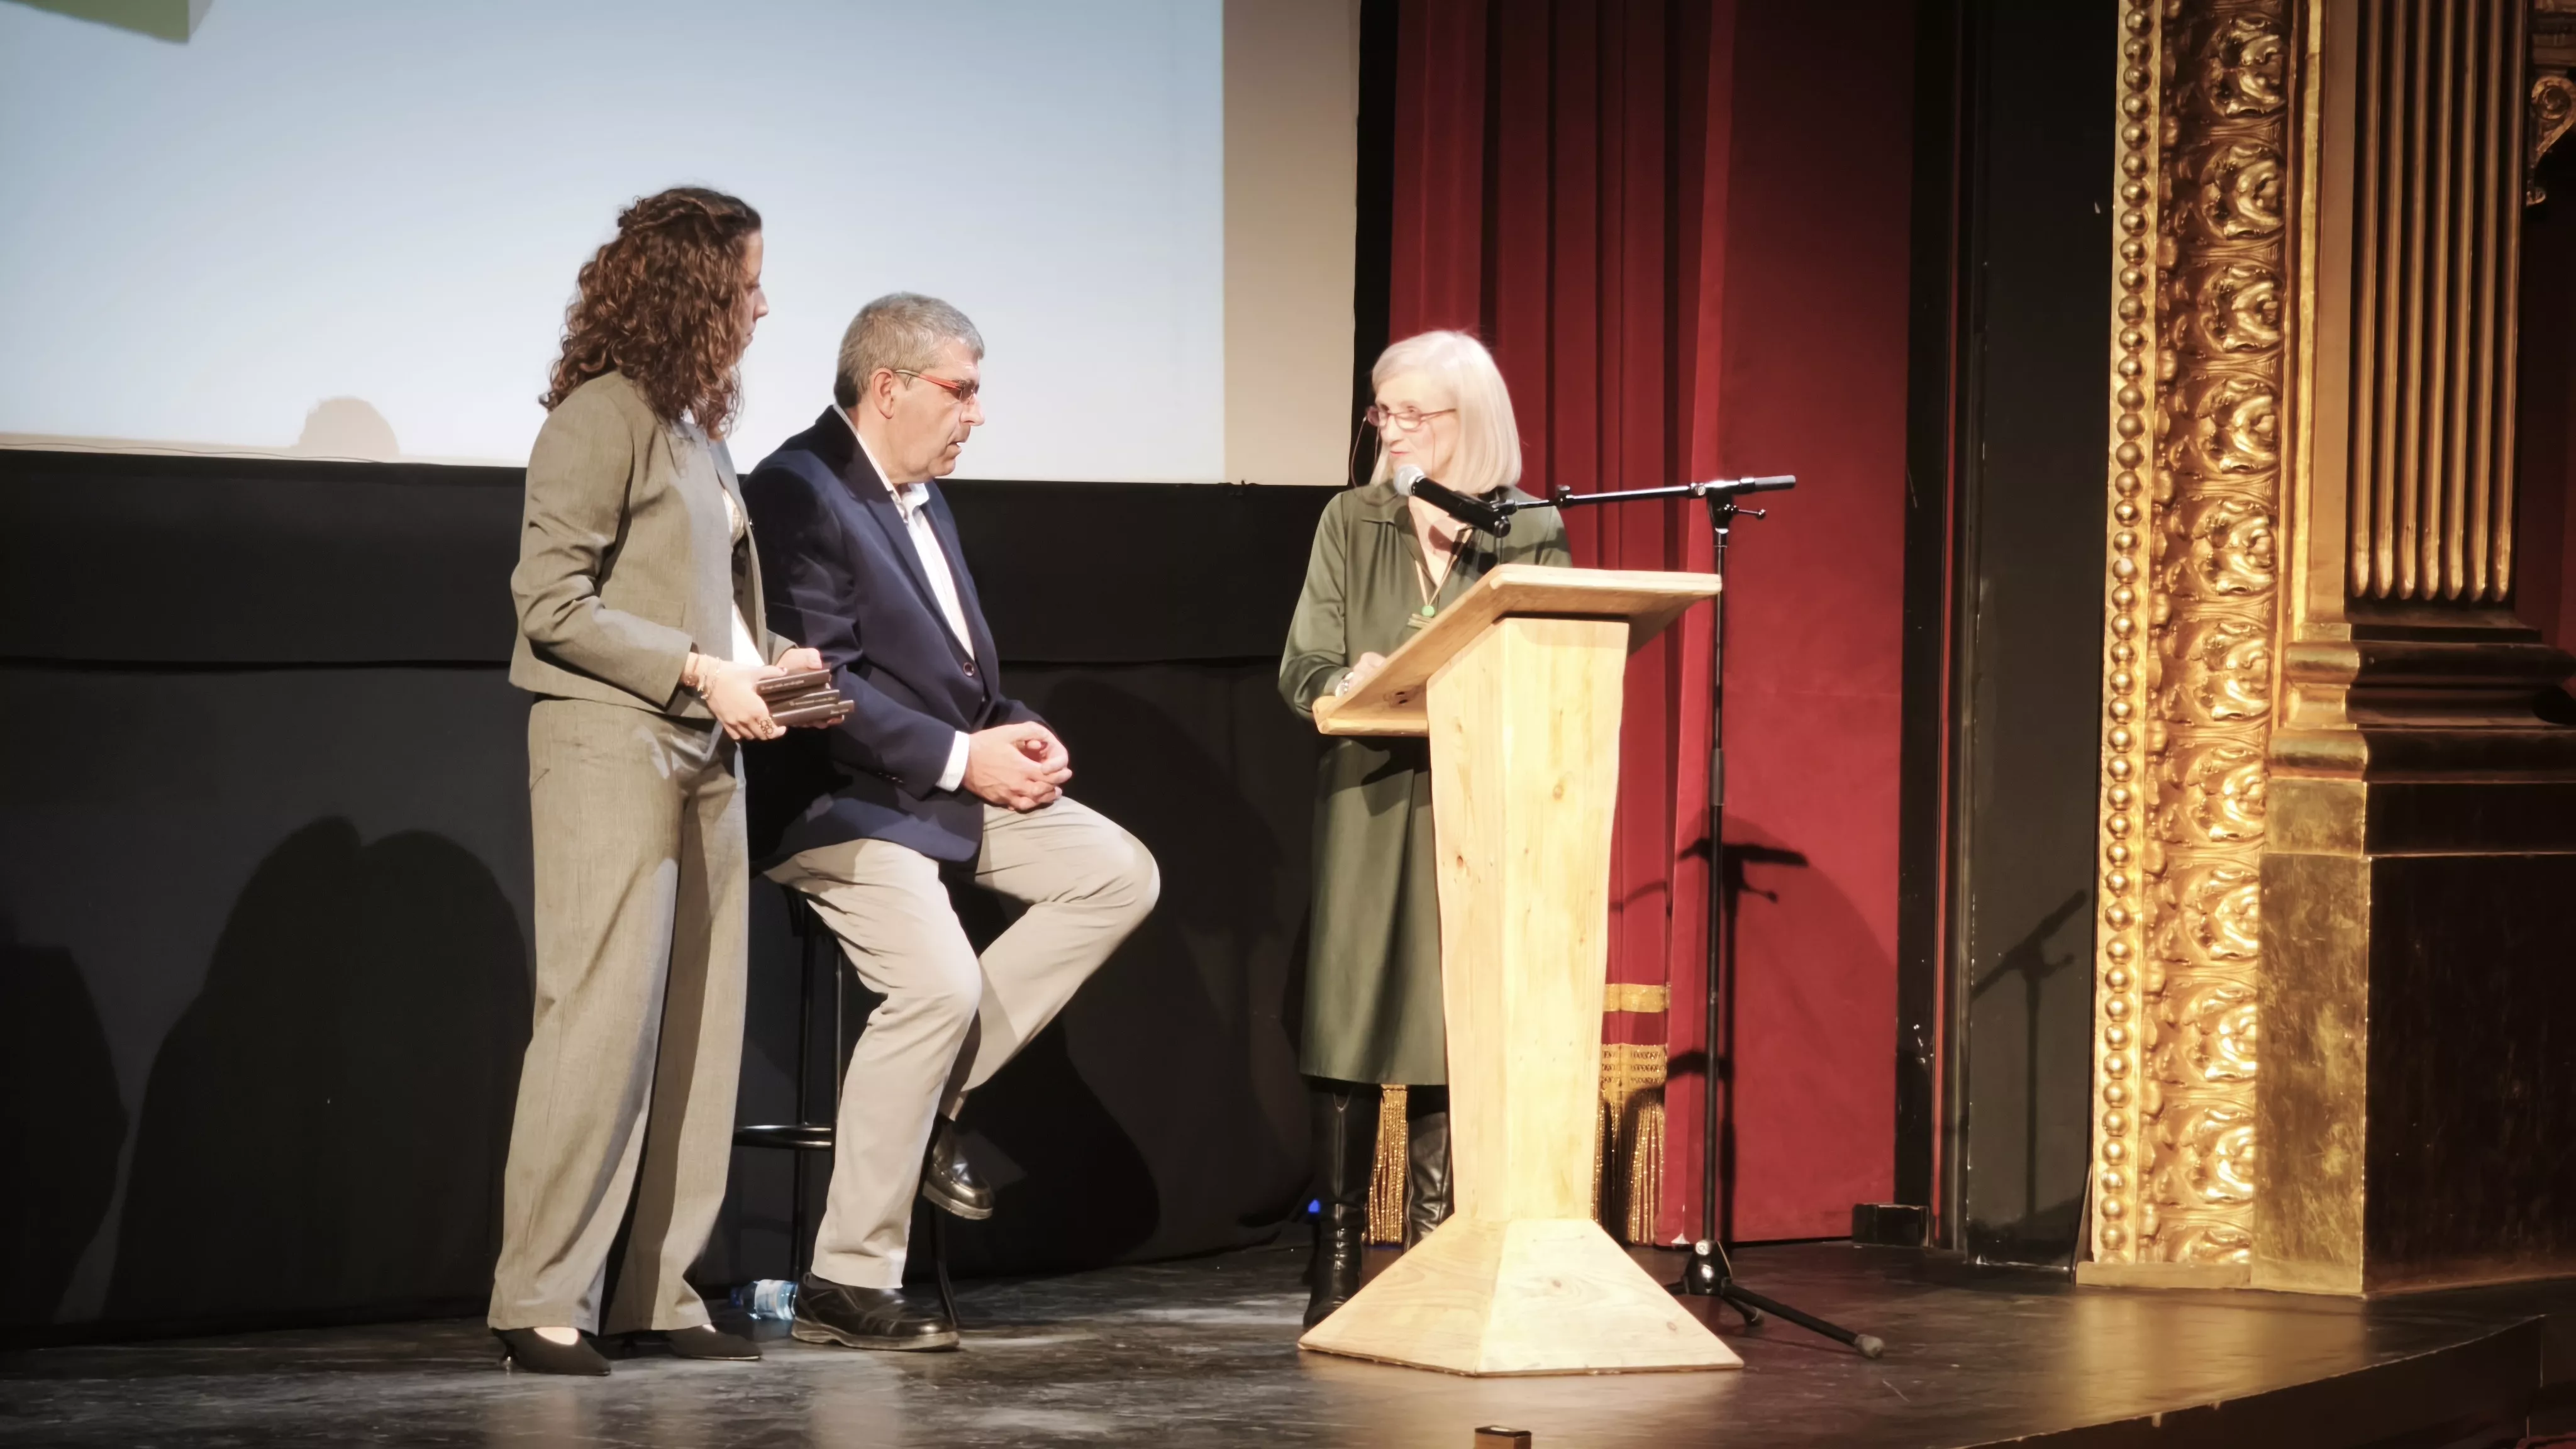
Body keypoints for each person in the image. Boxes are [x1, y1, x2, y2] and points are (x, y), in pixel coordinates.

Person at [741, 293, 1160, 1352]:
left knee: (1119, 871)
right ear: (889, 387)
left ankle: (933, 1101)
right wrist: (959, 757)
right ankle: (845, 1282)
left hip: (936, 788)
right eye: (960, 391)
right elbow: (815, 686)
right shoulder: (799, 489)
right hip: (840, 801)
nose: (976, 414)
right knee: (939, 982)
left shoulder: (923, 497)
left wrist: (1012, 731)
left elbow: (957, 679)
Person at [486, 187, 828, 1376]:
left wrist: (760, 661)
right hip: (609, 743)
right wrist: (693, 667)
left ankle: (654, 1292)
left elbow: (691, 591)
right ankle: (541, 1297)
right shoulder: (602, 415)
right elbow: (551, 602)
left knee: (699, 1029)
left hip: (709, 745)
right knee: (601, 1024)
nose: (762, 303)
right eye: (747, 283)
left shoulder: (696, 428)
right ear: (693, 289)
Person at [1277, 330, 1571, 1327]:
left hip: (1479, 797)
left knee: (1458, 1018)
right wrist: (1347, 682)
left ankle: (1447, 1248)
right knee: (1352, 1014)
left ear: (1471, 422)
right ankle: (1340, 1259)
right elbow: (1303, 664)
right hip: (1370, 791)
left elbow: (1546, 663)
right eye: (1383, 412)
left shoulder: (1526, 527)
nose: (1393, 430)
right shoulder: (1350, 519)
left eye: (1414, 414)